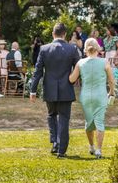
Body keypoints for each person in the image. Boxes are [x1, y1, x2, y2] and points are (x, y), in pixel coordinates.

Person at [30, 23, 81, 158]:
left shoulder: (44, 49)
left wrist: (33, 90)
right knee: (64, 118)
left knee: (51, 115)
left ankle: (55, 143)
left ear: (53, 34)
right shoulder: (72, 48)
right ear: (64, 34)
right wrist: (73, 79)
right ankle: (61, 149)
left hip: (50, 88)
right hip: (66, 88)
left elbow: (38, 71)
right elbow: (79, 67)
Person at [69, 38, 116, 158]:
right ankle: (99, 150)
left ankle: (91, 146)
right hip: (100, 96)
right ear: (98, 48)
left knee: (89, 122)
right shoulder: (104, 62)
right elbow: (111, 80)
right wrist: (111, 92)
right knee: (99, 122)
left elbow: (72, 79)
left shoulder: (80, 63)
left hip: (85, 96)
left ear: (85, 49)